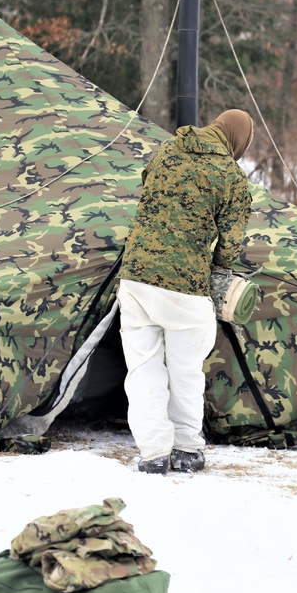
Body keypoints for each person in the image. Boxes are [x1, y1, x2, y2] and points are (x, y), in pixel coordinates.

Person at [117, 109, 254, 474]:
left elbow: (148, 194)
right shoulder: (231, 176)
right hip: (185, 287)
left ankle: (153, 454)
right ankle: (187, 449)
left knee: (143, 369)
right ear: (237, 139)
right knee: (186, 371)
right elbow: (230, 245)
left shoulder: (165, 150)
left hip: (135, 277)